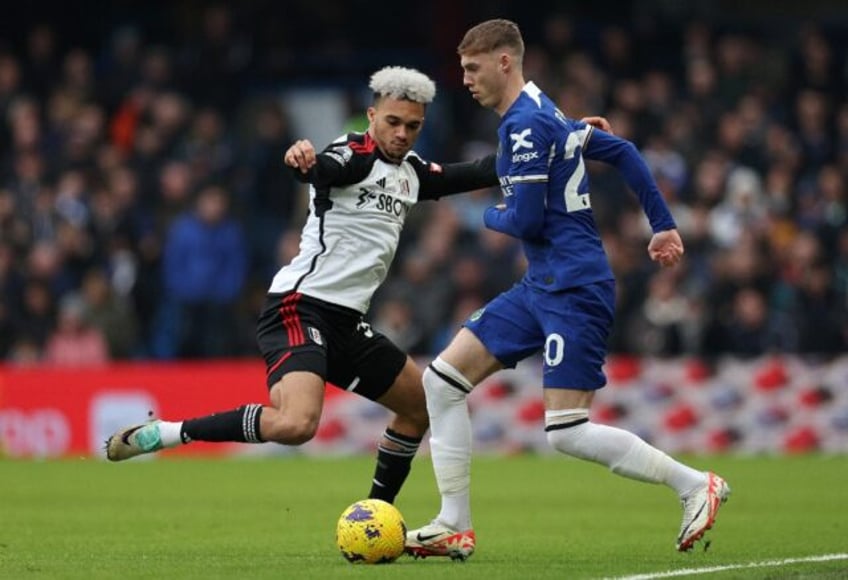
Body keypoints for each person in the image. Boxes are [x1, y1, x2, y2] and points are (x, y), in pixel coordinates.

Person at [105, 66, 611, 505]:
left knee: (419, 406)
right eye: (392, 122)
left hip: (347, 321)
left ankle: (373, 514)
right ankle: (167, 434)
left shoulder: (412, 173)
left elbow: (482, 170)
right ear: (372, 116)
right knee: (297, 424)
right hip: (299, 308)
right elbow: (321, 167)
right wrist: (301, 159)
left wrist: (564, 138)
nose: (401, 133)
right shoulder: (351, 154)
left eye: (412, 126)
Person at [405, 19, 730, 561]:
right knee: (441, 382)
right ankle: (452, 524)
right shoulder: (544, 111)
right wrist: (663, 223)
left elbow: (527, 220)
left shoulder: (527, 123)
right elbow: (623, 150)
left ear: (504, 61)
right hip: (542, 283)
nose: (464, 79)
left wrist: (476, 213)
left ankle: (695, 484)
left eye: (472, 68)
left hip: (575, 287)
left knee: (566, 430)